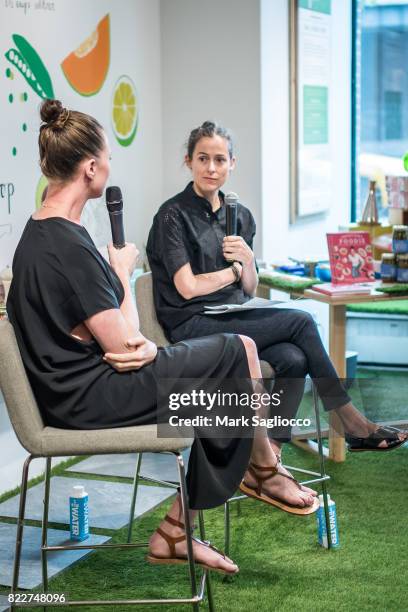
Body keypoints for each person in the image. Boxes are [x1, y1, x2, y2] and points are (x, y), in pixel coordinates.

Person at [7, 101, 319, 579]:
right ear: (91, 168)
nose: (109, 165)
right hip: (88, 398)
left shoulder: (40, 231)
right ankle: (257, 473)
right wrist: (124, 280)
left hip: (79, 389)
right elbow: (128, 347)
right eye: (107, 156)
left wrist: (118, 280)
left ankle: (187, 522)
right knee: (240, 351)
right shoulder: (66, 246)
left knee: (232, 380)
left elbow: (114, 338)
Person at [136, 121, 406, 460]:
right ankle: (349, 420)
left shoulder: (241, 216)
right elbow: (187, 288)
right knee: (302, 320)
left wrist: (247, 263)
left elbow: (248, 289)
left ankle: (272, 454)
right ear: (188, 161)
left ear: (232, 163)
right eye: (203, 158)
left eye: (220, 160)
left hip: (234, 315)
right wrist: (232, 270)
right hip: (192, 323)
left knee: (293, 357)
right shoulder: (171, 216)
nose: (211, 167)